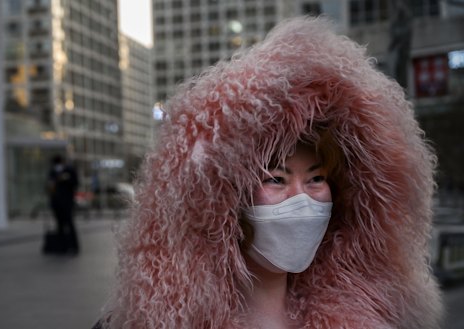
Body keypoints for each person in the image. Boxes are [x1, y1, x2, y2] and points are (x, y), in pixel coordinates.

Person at [97, 17, 443, 328]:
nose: (302, 199)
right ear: (222, 203)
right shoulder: (144, 323)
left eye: (316, 178)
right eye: (276, 179)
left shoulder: (377, 319)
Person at [47, 154, 80, 254]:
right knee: (60, 224)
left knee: (70, 223)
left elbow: (75, 183)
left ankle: (74, 246)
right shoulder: (52, 172)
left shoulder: (70, 170)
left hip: (67, 202)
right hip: (56, 202)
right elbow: (49, 186)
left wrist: (65, 179)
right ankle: (62, 246)